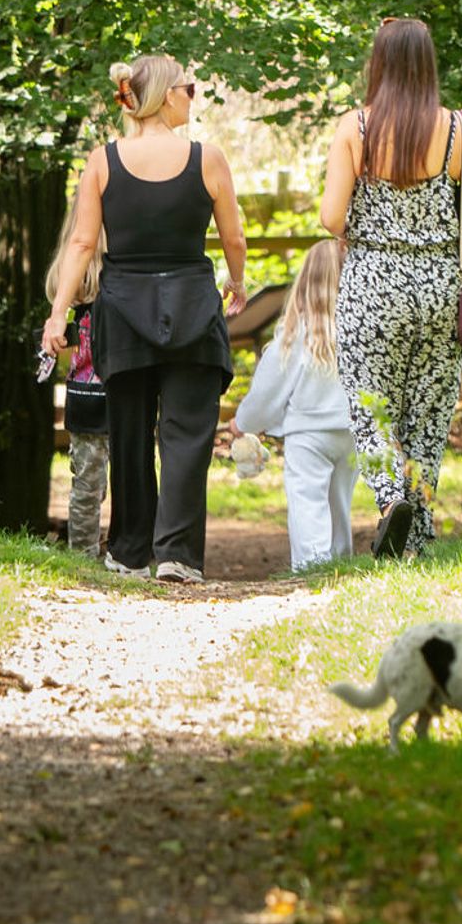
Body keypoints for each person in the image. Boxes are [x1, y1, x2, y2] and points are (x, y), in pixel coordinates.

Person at [40, 55, 248, 584]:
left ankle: (130, 553)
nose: (192, 96)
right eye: (188, 88)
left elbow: (82, 243)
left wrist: (57, 314)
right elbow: (233, 237)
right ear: (164, 95)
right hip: (193, 308)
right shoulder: (208, 159)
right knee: (186, 435)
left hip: (124, 311)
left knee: (129, 434)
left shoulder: (103, 161)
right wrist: (237, 281)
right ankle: (177, 555)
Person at [319, 18, 462, 560]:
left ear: (379, 64)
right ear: (427, 65)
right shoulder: (459, 128)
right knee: (427, 419)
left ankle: (390, 495)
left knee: (370, 408)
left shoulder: (357, 127)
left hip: (372, 287)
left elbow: (330, 218)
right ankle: (414, 541)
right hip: (441, 289)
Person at [231, 238, 357, 572]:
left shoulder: (294, 334)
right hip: (350, 429)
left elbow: (267, 391)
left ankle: (312, 567)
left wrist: (244, 422)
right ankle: (340, 563)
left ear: (305, 280)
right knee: (339, 501)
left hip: (308, 433)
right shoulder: (360, 331)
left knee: (307, 500)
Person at [46, 252, 108, 557]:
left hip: (86, 399)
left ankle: (84, 553)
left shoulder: (80, 315)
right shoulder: (89, 315)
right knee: (97, 484)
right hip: (102, 399)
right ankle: (108, 552)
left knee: (87, 484)